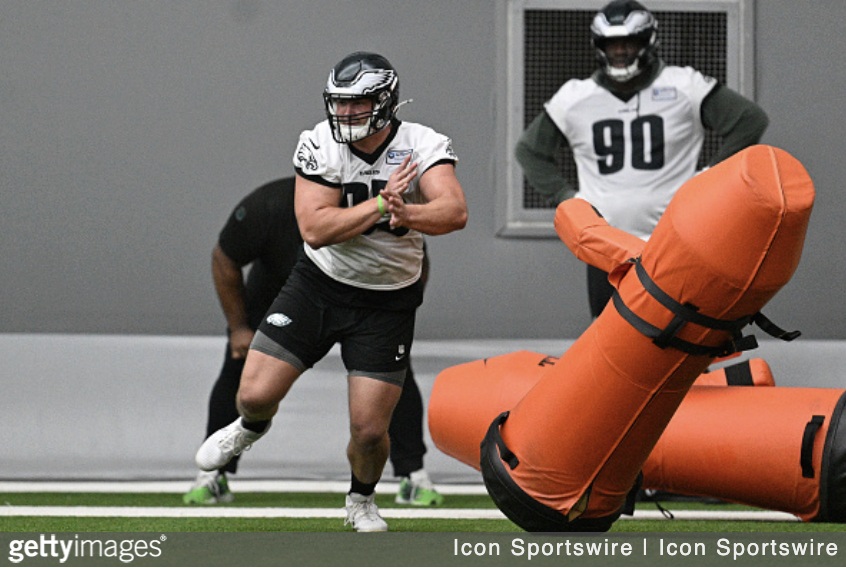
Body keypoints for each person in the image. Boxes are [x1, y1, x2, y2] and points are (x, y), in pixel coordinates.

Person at [194, 51, 468, 532]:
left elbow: (453, 211)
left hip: (387, 299)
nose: (345, 113)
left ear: (385, 102)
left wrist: (407, 213)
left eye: (357, 103)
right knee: (253, 395)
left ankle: (361, 501)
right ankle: (248, 429)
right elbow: (316, 229)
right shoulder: (319, 142)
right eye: (339, 102)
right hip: (319, 286)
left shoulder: (421, 143)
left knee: (369, 430)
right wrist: (383, 204)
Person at [183, 178, 444, 508]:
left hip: (365, 302)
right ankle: (213, 474)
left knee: (391, 381)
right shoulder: (268, 206)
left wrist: (397, 316)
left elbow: (415, 260)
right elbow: (225, 258)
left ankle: (413, 474)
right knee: (246, 377)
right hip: (291, 298)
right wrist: (238, 327)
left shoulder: (376, 204)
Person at [515, 0, 769, 318]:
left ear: (648, 41)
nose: (620, 51)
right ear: (599, 46)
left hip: (675, 237)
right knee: (609, 330)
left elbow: (749, 121)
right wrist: (569, 200)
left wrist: (709, 178)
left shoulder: (683, 85)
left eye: (629, 42)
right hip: (607, 241)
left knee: (679, 327)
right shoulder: (575, 97)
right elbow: (529, 151)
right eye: (611, 44)